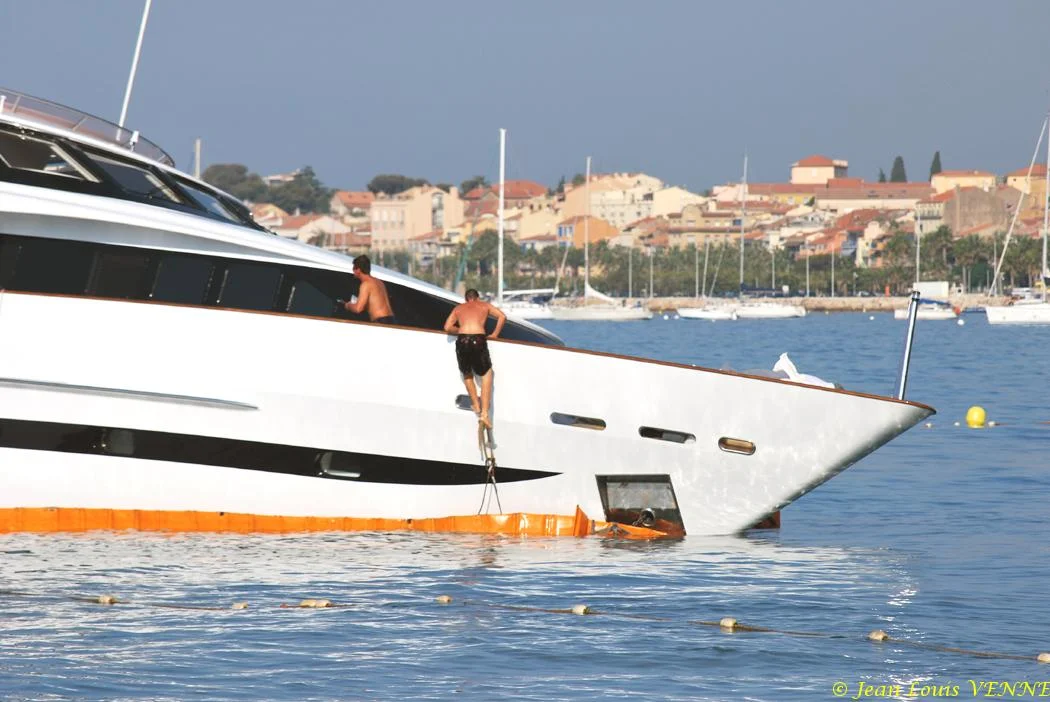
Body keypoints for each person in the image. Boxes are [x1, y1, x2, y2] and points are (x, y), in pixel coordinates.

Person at [443, 289, 506, 429]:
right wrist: (495, 334)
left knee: (467, 373)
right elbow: (502, 316)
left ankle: (476, 405)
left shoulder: (459, 308)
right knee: (487, 374)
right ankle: (484, 414)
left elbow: (447, 327)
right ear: (477, 298)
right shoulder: (484, 305)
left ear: (466, 299)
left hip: (462, 340)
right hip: (478, 339)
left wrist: (461, 330)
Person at [344, 255, 396, 324]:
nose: (353, 271)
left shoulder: (366, 284)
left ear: (358, 270)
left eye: (353, 268)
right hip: (391, 320)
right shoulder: (379, 282)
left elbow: (358, 309)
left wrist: (348, 305)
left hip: (381, 321)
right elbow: (375, 303)